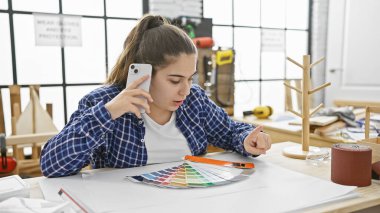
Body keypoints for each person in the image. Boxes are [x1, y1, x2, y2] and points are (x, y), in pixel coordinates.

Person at [40, 14, 272, 178]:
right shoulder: (102, 103)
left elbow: (229, 132)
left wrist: (248, 141)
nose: (186, 90)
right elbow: (52, 166)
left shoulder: (194, 100)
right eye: (174, 80)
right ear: (145, 73)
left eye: (190, 78)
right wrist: (108, 113)